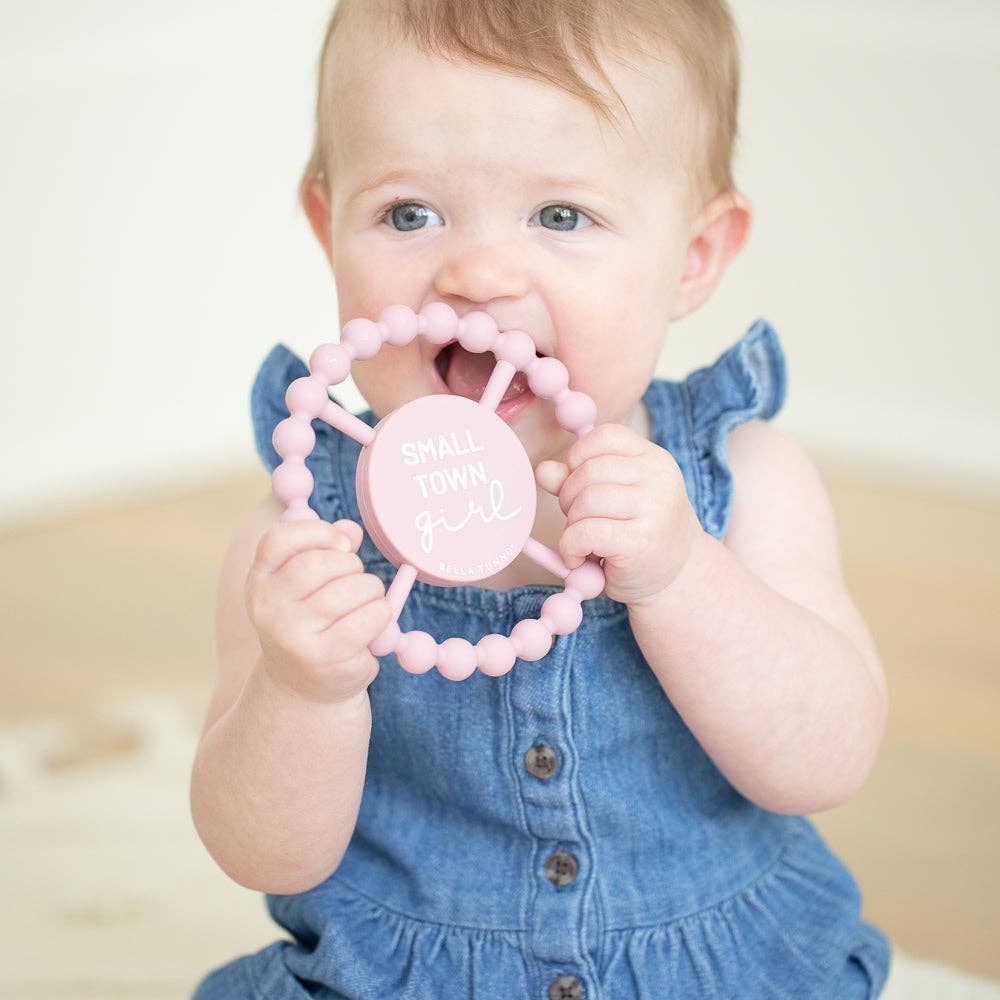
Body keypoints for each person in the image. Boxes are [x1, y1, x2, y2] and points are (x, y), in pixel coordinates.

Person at [189, 1, 892, 997]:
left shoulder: (745, 479)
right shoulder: (305, 525)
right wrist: (301, 690)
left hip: (708, 967)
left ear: (692, 258)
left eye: (560, 216)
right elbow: (265, 854)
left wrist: (686, 574)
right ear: (327, 222)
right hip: (408, 972)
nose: (477, 272)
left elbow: (825, 760)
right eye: (408, 213)